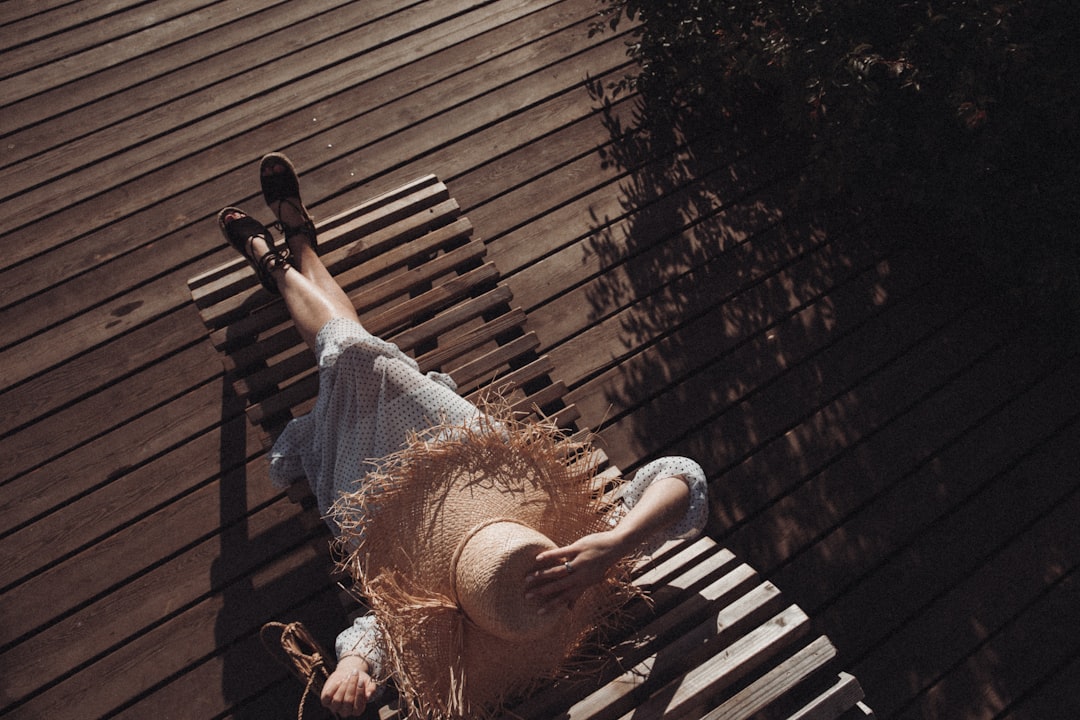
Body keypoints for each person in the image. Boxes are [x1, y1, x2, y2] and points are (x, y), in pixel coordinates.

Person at [218, 153, 709, 719]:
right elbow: (684, 477)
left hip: (373, 497)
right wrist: (616, 544)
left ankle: (288, 259)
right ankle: (291, 256)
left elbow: (382, 630)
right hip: (471, 462)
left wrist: (353, 666)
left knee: (354, 351)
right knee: (357, 354)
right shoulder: (581, 569)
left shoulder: (481, 612)